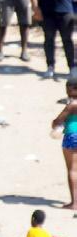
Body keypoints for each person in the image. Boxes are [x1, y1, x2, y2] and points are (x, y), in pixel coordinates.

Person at [51, 78, 77, 211]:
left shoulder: (72, 105)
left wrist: (55, 125)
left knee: (72, 169)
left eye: (68, 89)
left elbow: (57, 121)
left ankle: (74, 203)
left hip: (72, 135)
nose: (66, 92)